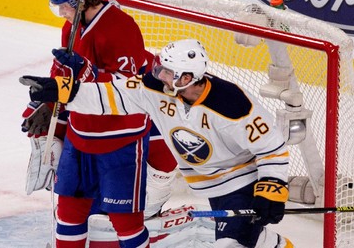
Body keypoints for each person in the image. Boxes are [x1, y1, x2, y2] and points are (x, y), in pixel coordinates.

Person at [21, 38, 295, 248]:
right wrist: (61, 90)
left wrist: (271, 187)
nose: (158, 73)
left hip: (242, 179)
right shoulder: (155, 88)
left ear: (187, 78)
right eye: (161, 67)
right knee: (254, 239)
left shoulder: (232, 103)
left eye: (167, 71)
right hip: (208, 181)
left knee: (231, 244)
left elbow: (271, 147)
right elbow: (110, 95)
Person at [20, 0, 177, 247]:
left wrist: (86, 73)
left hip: (120, 142)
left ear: (79, 1)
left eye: (63, 7)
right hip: (80, 139)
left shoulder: (121, 28)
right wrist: (46, 100)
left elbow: (130, 89)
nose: (61, 13)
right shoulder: (70, 27)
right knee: (68, 215)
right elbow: (64, 73)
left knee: (126, 224)